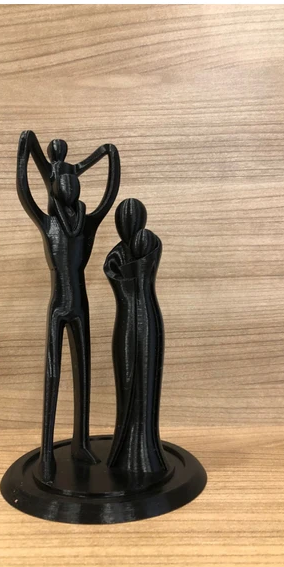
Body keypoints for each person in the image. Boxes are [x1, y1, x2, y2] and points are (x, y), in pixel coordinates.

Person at [17, 130, 120, 483]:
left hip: (81, 305)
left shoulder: (86, 225)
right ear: (55, 187)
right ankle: (47, 452)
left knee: (84, 374)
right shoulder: (48, 224)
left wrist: (107, 155)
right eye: (64, 183)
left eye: (74, 183)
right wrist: (26, 151)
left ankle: (81, 443)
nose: (71, 187)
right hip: (59, 306)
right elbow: (24, 191)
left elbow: (110, 195)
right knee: (53, 374)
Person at [104, 199, 168, 475]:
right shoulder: (117, 255)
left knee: (146, 382)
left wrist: (136, 267)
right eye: (122, 221)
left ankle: (147, 450)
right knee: (127, 380)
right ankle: (126, 449)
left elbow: (139, 276)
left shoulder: (149, 244)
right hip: (126, 320)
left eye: (131, 220)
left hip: (147, 319)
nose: (126, 225)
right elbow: (118, 277)